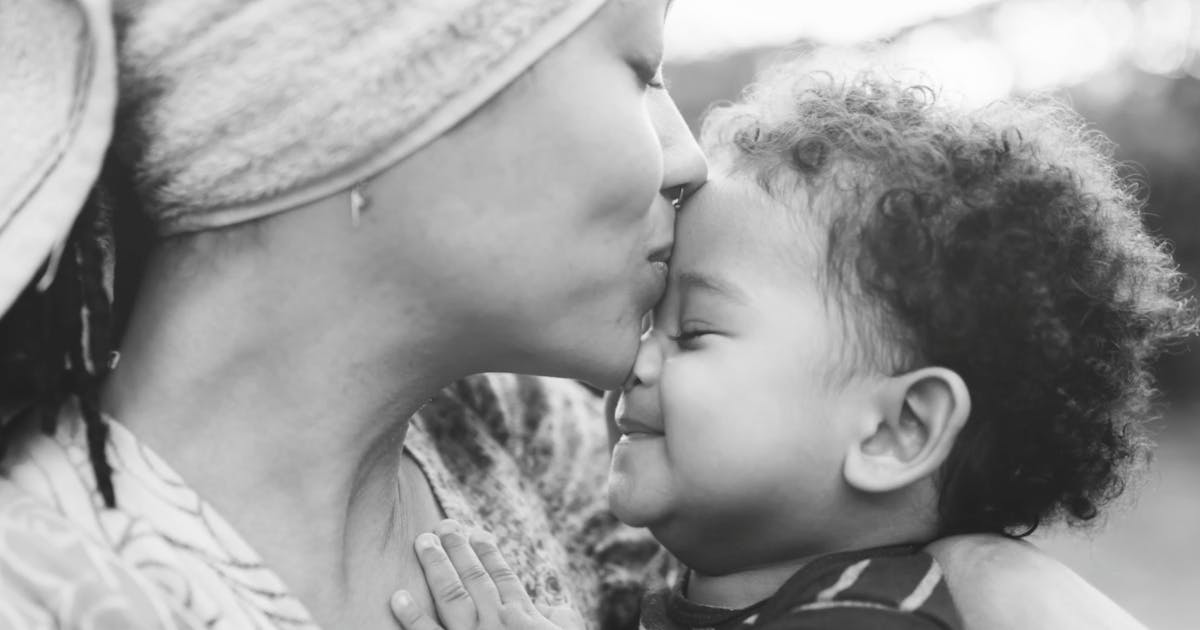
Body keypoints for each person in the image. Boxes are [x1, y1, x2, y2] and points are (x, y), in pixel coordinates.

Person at [0, 1, 1170, 629]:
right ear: (378, 102)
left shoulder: (527, 445)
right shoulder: (45, 583)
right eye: (636, 70)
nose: (683, 159)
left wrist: (984, 571)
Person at [388, 67, 1196, 630]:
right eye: (650, 325)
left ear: (896, 430)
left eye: (695, 332)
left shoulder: (870, 617)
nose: (636, 363)